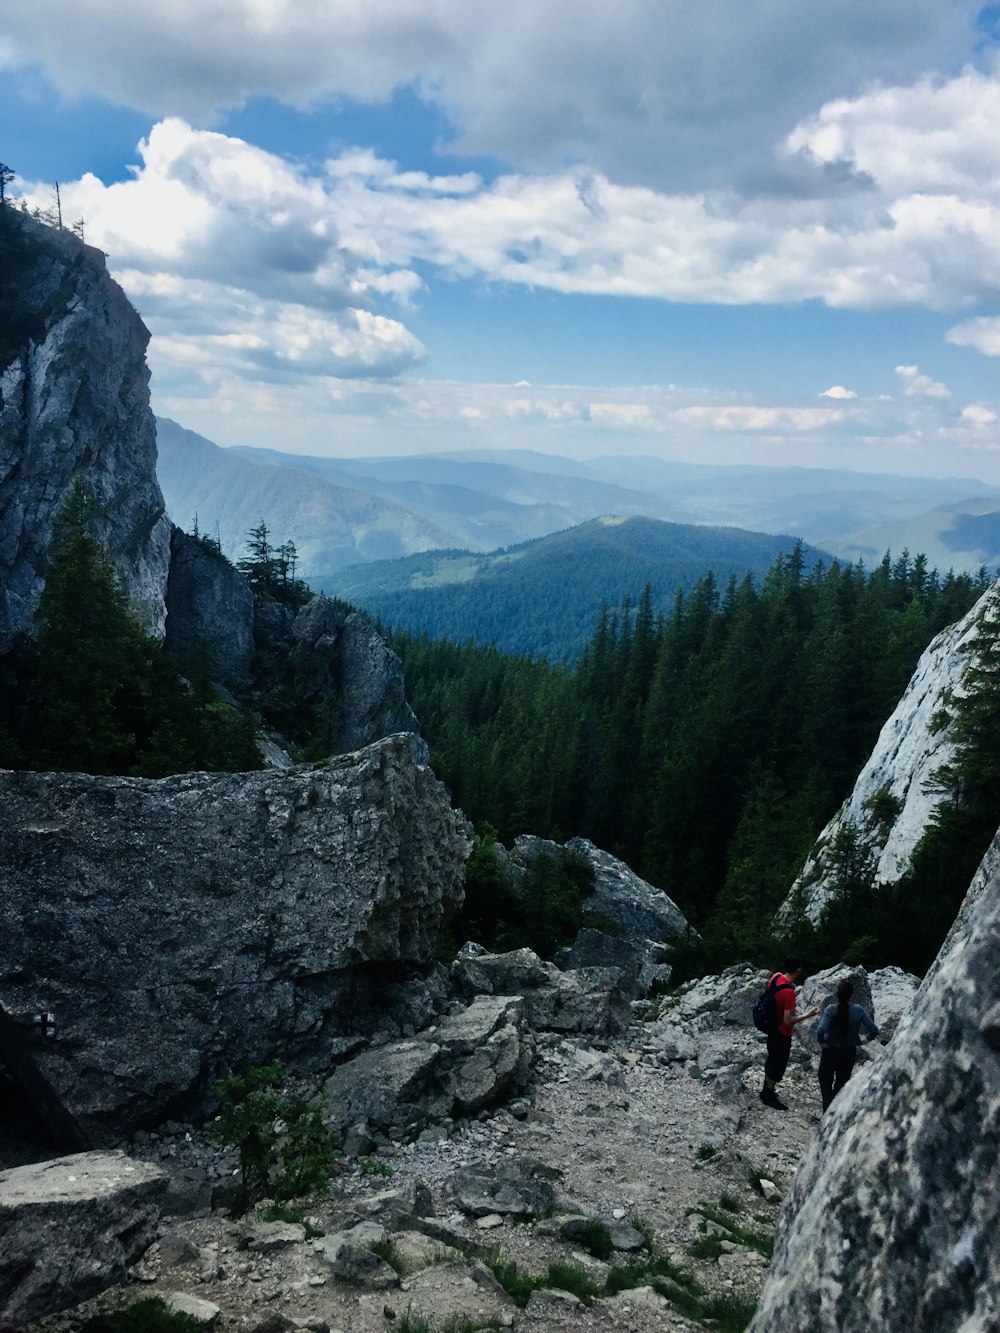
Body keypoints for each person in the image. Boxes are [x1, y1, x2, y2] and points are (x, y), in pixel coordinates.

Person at [760, 956, 820, 1111]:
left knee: (772, 1058)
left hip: (771, 1027)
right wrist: (808, 1015)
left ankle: (766, 1090)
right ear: (798, 969)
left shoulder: (776, 977)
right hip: (782, 1032)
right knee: (778, 1064)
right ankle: (768, 1096)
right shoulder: (789, 992)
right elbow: (788, 1020)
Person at [816, 978, 879, 1112]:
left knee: (825, 1081)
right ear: (851, 995)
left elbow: (820, 1030)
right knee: (840, 1084)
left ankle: (827, 1110)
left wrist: (822, 1043)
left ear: (837, 994)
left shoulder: (831, 1009)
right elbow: (874, 1030)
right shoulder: (858, 1010)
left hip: (831, 1051)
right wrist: (863, 1041)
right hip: (849, 1052)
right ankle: (833, 1113)